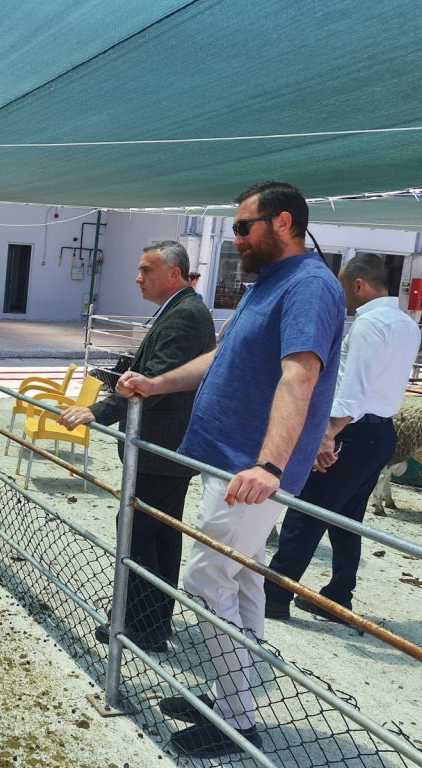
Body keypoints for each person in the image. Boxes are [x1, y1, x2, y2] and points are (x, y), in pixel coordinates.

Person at [119, 181, 345, 757]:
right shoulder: (269, 283)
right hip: (230, 462)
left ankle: (238, 719)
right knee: (241, 579)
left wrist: (271, 464)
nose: (236, 237)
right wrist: (157, 383)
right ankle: (231, 700)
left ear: (284, 223)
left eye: (244, 227)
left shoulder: (309, 285)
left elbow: (300, 375)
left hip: (250, 471)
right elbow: (224, 357)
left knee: (205, 580)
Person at [58, 241, 216, 652]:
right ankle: (150, 619)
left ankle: (141, 624)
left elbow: (156, 383)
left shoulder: (185, 315)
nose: (137, 278)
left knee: (142, 535)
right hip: (166, 448)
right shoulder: (181, 309)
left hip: (160, 449)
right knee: (158, 534)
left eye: (146, 270)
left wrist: (97, 411)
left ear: (173, 275)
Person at [264, 254, 420, 623]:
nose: (341, 296)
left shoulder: (368, 324)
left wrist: (328, 433)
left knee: (306, 512)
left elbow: (354, 390)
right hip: (381, 431)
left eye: (343, 288)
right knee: (347, 518)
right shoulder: (407, 324)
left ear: (358, 285)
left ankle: (274, 596)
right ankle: (338, 595)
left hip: (351, 430)